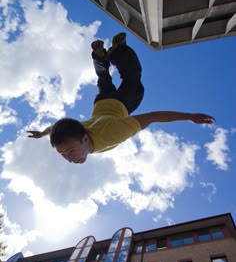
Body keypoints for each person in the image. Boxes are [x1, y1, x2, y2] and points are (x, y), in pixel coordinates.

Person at [27, 33, 215, 164]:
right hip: (100, 103)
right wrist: (44, 133)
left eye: (70, 151)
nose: (69, 158)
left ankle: (119, 51)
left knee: (132, 78)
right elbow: (57, 127)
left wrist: (190, 116)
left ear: (85, 140)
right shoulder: (78, 130)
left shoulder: (112, 134)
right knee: (103, 79)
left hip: (124, 103)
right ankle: (100, 55)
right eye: (64, 155)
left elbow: (152, 117)